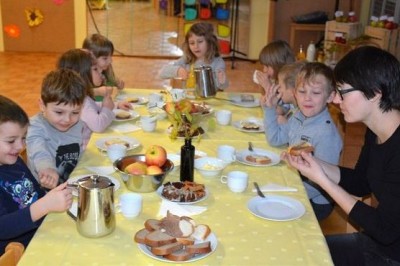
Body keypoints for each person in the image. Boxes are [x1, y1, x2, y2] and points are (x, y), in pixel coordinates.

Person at [282, 46, 400, 265]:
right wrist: (315, 164)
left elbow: (385, 229)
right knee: (293, 251)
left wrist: (324, 182)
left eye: (342, 91)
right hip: (377, 245)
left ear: (374, 93)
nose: (335, 100)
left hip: (391, 254)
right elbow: (362, 182)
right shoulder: (375, 130)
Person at [263, 62, 343, 220]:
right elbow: (275, 138)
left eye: (316, 92)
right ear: (295, 94)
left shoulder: (326, 133)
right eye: (302, 91)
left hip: (315, 200)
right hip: (296, 184)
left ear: (330, 96)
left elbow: (324, 183)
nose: (307, 98)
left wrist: (289, 190)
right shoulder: (298, 116)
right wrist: (269, 109)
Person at [0, 95, 72, 254]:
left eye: (23, 138)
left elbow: (35, 194)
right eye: (11, 141)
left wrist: (49, 190)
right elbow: (3, 227)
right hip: (21, 253)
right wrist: (45, 204)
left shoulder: (14, 161)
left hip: (42, 234)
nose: (20, 146)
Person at [56, 49, 131, 149]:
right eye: (95, 69)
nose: (101, 71)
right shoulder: (81, 101)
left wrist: (116, 105)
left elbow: (93, 107)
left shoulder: (79, 95)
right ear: (81, 74)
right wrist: (107, 109)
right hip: (84, 150)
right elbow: (98, 126)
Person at [26, 69, 86, 189]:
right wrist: (47, 168)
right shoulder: (35, 126)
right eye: (59, 112)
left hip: (70, 186)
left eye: (75, 112)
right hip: (42, 193)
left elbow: (77, 152)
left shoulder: (77, 124)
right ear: (42, 105)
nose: (67, 119)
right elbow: (38, 151)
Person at [160, 22, 228, 90]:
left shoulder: (217, 62)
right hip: (189, 99)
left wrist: (222, 81)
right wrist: (178, 70)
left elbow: (222, 87)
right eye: (192, 43)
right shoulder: (187, 59)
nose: (196, 46)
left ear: (210, 42)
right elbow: (162, 73)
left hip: (209, 99)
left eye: (200, 41)